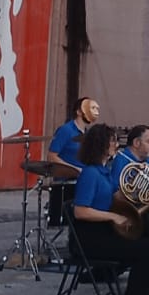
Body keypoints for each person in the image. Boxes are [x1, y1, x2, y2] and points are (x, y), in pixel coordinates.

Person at [68, 124, 149, 295]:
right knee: (145, 249)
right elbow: (80, 211)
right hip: (90, 238)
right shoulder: (90, 174)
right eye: (112, 141)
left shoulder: (103, 171)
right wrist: (113, 217)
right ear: (101, 145)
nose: (116, 145)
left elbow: (117, 196)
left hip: (104, 230)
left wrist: (140, 178)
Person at [47, 97, 99, 228]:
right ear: (79, 112)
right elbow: (52, 156)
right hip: (66, 181)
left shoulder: (88, 134)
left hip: (83, 179)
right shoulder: (65, 130)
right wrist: (75, 170)